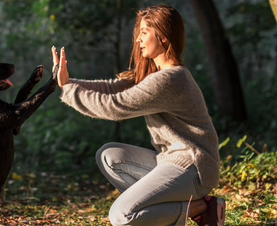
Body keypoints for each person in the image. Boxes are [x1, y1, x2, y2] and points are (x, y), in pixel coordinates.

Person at [50, 4, 225, 226]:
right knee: (109, 156)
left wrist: (68, 89)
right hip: (170, 161)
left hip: (194, 167)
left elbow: (113, 106)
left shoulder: (171, 79)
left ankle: (197, 208)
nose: (137, 40)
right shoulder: (157, 74)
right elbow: (113, 88)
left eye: (144, 32)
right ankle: (160, 213)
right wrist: (68, 83)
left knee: (121, 216)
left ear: (162, 36)